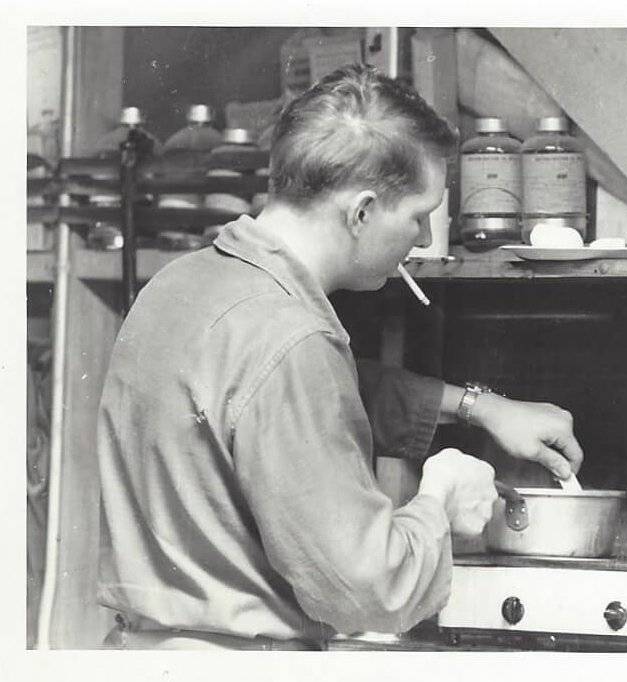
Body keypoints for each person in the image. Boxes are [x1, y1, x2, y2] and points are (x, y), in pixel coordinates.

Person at [96, 64, 584, 650]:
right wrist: (441, 496)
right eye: (417, 215)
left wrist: (480, 407)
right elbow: (369, 592)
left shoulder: (183, 284)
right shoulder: (293, 341)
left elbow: (273, 403)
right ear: (361, 212)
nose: (425, 239)